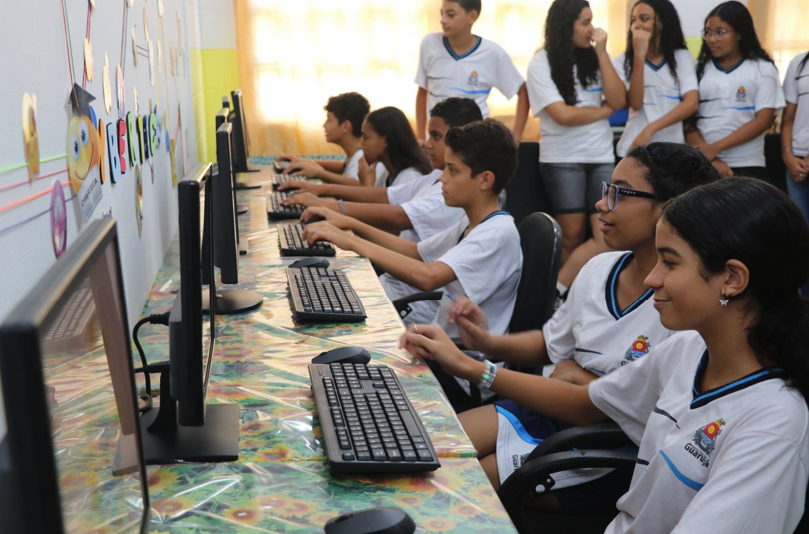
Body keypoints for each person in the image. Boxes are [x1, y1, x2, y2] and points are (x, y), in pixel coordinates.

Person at [402, 177, 809, 533]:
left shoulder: (770, 424)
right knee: (416, 459)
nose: (653, 278)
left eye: (669, 262)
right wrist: (473, 365)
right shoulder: (689, 349)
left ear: (732, 279)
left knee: (441, 497)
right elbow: (582, 403)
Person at [425, 144, 720, 513]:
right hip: (550, 406)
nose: (601, 205)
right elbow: (551, 347)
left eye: (620, 194)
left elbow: (626, 409)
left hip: (603, 443)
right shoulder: (599, 268)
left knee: (451, 487)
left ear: (669, 208)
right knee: (427, 443)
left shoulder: (687, 306)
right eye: (605, 190)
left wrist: (581, 379)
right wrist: (486, 342)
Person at [299, 119, 521, 340]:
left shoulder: (497, 233)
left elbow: (428, 277)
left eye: (453, 170)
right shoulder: (472, 223)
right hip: (441, 347)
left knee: (329, 336)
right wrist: (350, 224)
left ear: (485, 180)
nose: (442, 177)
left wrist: (352, 242)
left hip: (462, 366)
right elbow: (416, 252)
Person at [526, 0, 626, 300]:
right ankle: (551, 298)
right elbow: (562, 115)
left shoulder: (595, 57)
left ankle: (554, 294)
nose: (592, 29)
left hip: (600, 157)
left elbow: (619, 100)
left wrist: (602, 52)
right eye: (585, 23)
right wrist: (601, 111)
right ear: (564, 25)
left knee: (605, 236)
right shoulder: (541, 62)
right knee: (570, 236)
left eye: (592, 21)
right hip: (562, 159)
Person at [279, 98, 480, 243]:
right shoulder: (435, 176)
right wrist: (318, 191)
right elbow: (385, 195)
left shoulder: (442, 189)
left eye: (436, 136)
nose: (427, 144)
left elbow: (398, 217)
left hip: (405, 290)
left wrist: (330, 206)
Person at [686, 1, 784, 181]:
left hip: (747, 162)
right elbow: (686, 120)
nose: (712, 39)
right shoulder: (696, 69)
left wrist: (716, 147)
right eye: (708, 32)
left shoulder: (762, 69)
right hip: (703, 163)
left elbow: (764, 120)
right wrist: (711, 157)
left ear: (739, 33)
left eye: (720, 32)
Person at [415, 0, 529, 144]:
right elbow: (422, 91)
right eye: (442, 14)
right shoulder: (429, 43)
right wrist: (420, 137)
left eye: (450, 15)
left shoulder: (493, 54)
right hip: (437, 142)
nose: (443, 20)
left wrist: (516, 137)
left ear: (472, 17)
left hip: (474, 145)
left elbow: (522, 91)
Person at [613, 0, 698, 158]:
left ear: (662, 23)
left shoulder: (681, 57)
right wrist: (639, 56)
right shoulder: (622, 61)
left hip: (672, 151)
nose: (636, 25)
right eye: (633, 20)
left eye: (644, 19)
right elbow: (636, 103)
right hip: (634, 148)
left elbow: (691, 103)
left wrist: (650, 129)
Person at [275, 92, 385, 186]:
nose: (324, 125)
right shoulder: (356, 155)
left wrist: (320, 173)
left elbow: (360, 188)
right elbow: (343, 166)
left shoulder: (362, 158)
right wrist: (303, 162)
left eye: (329, 120)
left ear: (345, 126)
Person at [782, 50, 809, 294]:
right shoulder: (799, 64)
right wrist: (788, 155)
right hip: (797, 163)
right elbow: (788, 118)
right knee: (799, 236)